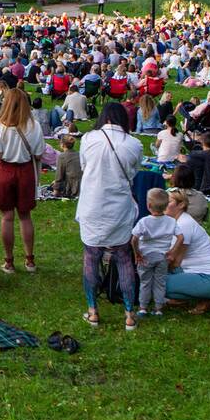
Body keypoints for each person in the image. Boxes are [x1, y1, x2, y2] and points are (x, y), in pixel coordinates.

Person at [76, 102, 143, 330]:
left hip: (93, 205)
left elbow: (85, 166)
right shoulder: (133, 144)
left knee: (91, 257)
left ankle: (93, 310)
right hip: (119, 207)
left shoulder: (88, 139)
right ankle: (129, 314)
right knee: (124, 258)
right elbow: (133, 173)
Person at [0, 88, 44, 274]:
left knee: (7, 217)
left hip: (5, 171)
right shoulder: (34, 126)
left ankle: (9, 261)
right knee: (25, 216)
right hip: (25, 170)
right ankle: (29, 260)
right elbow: (38, 153)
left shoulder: (0, 127)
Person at [164, 190, 210, 314]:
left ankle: (205, 297)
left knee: (153, 283)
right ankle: (181, 295)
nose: (163, 204)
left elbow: (175, 262)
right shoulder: (176, 221)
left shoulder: (184, 225)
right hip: (196, 272)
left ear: (181, 205)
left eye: (169, 201)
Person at [131, 188, 183, 317]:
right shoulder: (171, 221)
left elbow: (134, 239)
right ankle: (158, 309)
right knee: (160, 282)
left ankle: (143, 308)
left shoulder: (144, 222)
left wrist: (137, 252)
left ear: (148, 205)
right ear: (166, 206)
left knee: (145, 282)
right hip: (163, 257)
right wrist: (172, 251)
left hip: (146, 257)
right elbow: (181, 237)